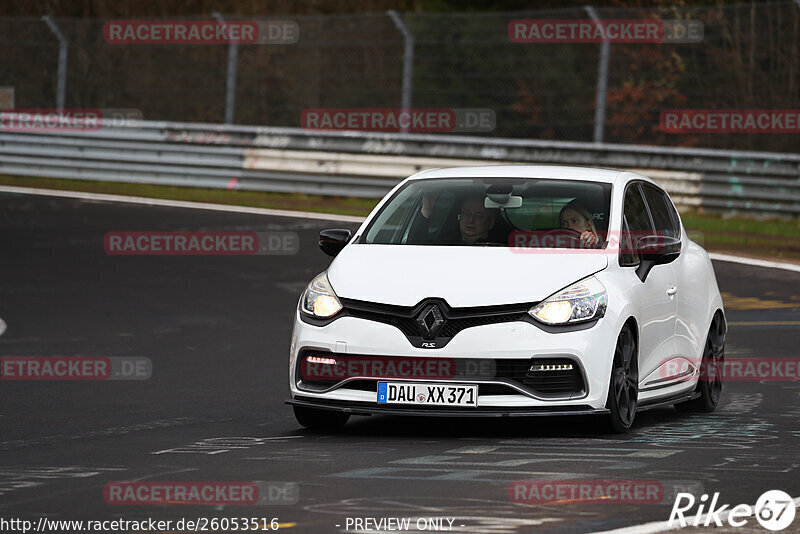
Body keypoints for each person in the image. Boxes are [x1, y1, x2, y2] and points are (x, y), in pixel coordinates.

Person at [410, 191, 496, 245]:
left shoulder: (500, 249)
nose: (471, 220)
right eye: (466, 214)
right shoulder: (443, 245)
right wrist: (427, 209)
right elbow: (415, 246)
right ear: (460, 217)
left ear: (490, 223)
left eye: (478, 216)